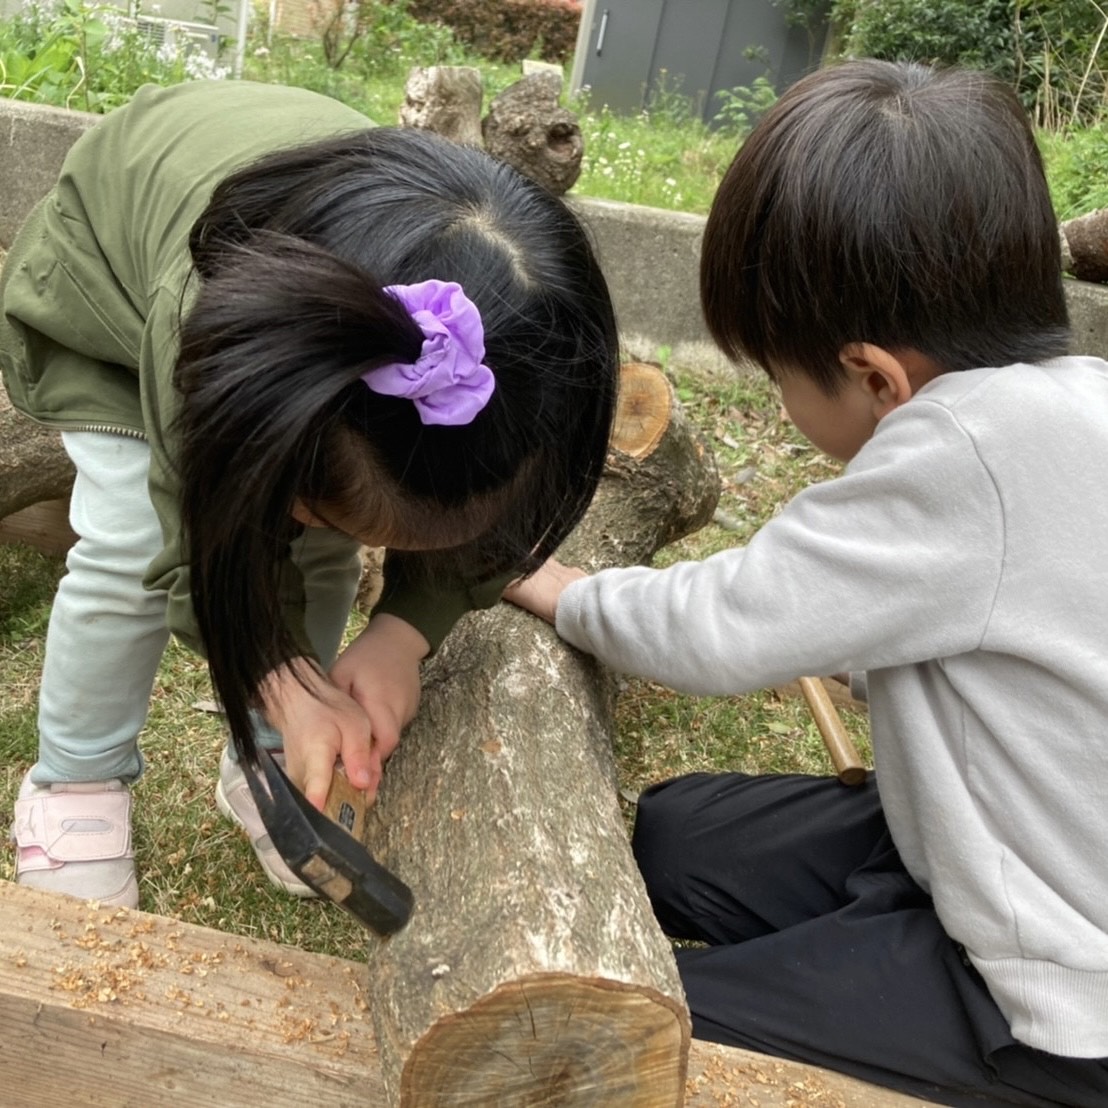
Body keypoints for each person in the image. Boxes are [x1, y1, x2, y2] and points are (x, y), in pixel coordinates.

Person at [506, 60, 1108, 1106]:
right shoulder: (1075, 399)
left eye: (780, 375)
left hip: (1051, 985)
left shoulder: (958, 448)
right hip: (980, 839)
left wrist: (560, 590)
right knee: (673, 833)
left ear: (877, 378)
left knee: (661, 1023)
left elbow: (729, 623)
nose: (781, 397)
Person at [1, 80, 618, 911]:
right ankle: (74, 782)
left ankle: (271, 756)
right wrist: (278, 671)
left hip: (299, 327)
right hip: (118, 286)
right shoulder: (208, 315)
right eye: (315, 502)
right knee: (124, 546)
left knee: (323, 549)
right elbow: (190, 538)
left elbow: (477, 517)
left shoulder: (532, 370)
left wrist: (402, 635)